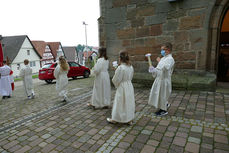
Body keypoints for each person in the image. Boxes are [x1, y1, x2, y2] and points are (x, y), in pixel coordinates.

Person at [107, 51, 135, 124]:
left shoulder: (120, 68)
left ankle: (115, 118)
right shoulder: (130, 66)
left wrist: (116, 84)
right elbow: (131, 77)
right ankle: (129, 119)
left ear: (120, 58)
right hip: (129, 85)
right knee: (128, 102)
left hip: (122, 86)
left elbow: (116, 79)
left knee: (119, 102)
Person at [148, 42, 175, 116]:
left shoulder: (170, 59)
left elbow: (166, 68)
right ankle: (164, 105)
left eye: (163, 49)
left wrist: (160, 61)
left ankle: (163, 110)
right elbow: (159, 69)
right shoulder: (163, 58)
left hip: (164, 80)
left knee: (163, 94)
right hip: (159, 79)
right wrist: (153, 70)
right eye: (161, 50)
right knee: (159, 94)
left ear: (168, 50)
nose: (162, 51)